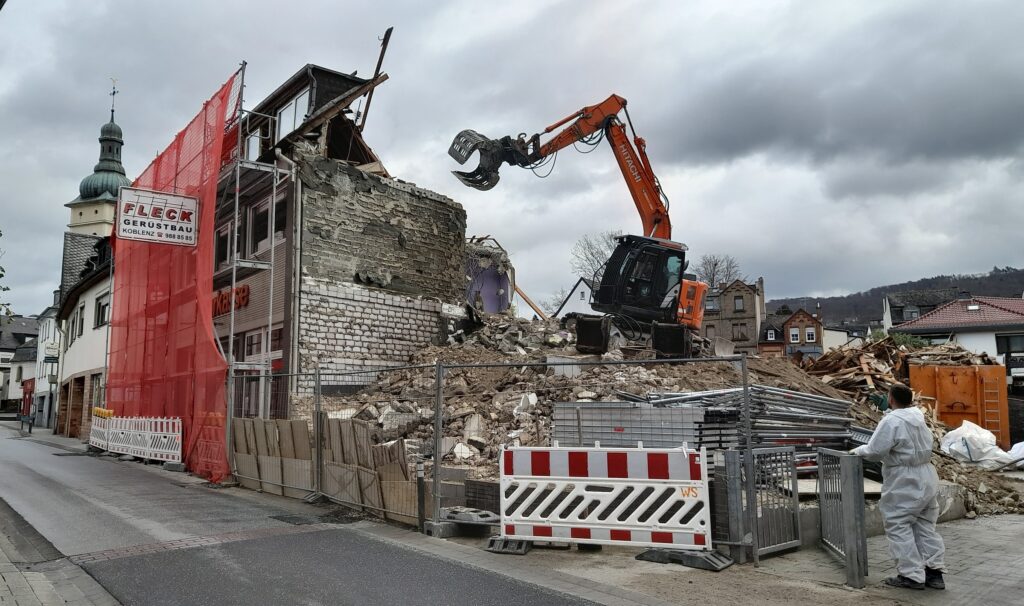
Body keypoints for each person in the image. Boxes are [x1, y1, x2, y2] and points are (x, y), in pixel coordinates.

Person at [852, 383, 946, 590]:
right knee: (925, 526)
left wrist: (858, 451)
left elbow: (875, 450)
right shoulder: (917, 417)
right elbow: (903, 429)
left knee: (898, 524)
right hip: (927, 474)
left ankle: (911, 575)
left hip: (904, 478)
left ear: (891, 399)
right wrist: (889, 410)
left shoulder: (891, 421)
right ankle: (934, 573)